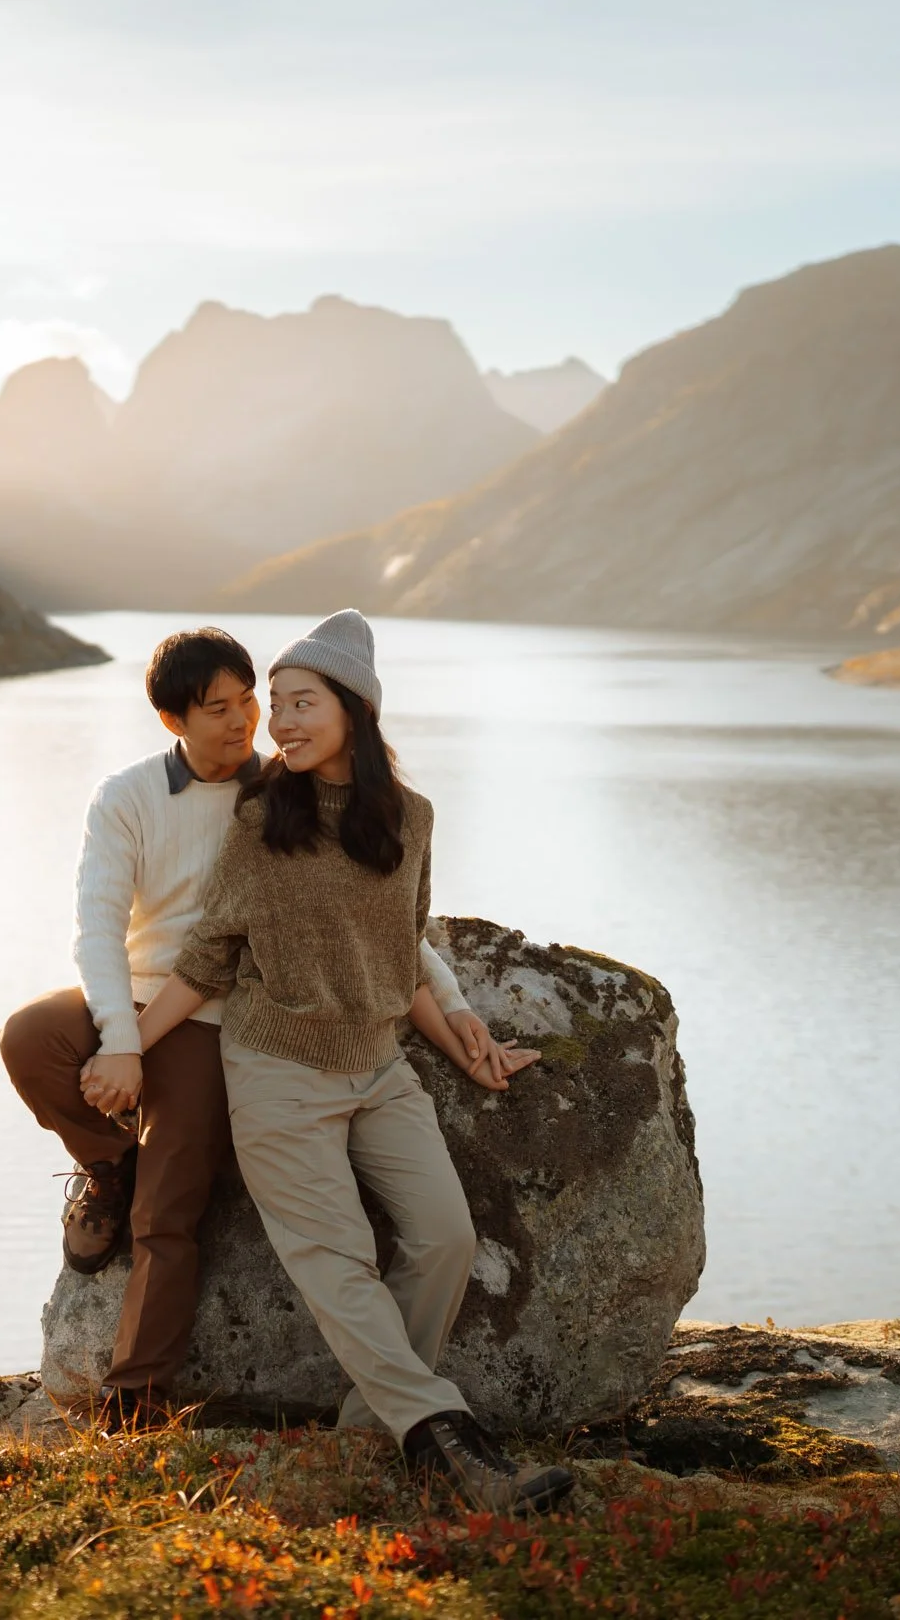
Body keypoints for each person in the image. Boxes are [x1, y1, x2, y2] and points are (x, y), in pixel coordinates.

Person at [0, 627, 512, 1425]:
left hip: (219, 1008)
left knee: (172, 1192)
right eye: (225, 709)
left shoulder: (287, 789)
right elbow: (99, 928)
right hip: (153, 995)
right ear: (175, 720)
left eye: (254, 704)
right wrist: (122, 1041)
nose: (249, 724)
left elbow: (390, 928)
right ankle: (107, 1166)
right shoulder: (135, 797)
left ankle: (148, 1386)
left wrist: (455, 1011)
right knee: (29, 1036)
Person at [134, 610, 573, 1513]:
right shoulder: (263, 821)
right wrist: (123, 1051)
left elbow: (402, 949)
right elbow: (208, 954)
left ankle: (371, 1431)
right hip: (277, 1070)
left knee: (446, 1237)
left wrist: (463, 1038)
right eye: (276, 705)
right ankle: (446, 1445)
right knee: (337, 1260)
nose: (280, 723)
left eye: (301, 703)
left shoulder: (409, 818)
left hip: (379, 1067)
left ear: (354, 710)